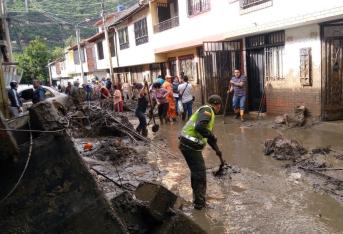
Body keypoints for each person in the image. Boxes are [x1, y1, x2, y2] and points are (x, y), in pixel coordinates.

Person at [179, 94, 224, 210]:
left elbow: (208, 136)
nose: (220, 107)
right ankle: (199, 204)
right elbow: (200, 127)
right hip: (190, 145)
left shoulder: (207, 112)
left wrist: (217, 150)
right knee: (199, 174)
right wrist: (212, 135)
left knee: (197, 172)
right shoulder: (207, 111)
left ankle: (198, 200)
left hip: (188, 144)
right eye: (220, 105)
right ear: (217, 105)